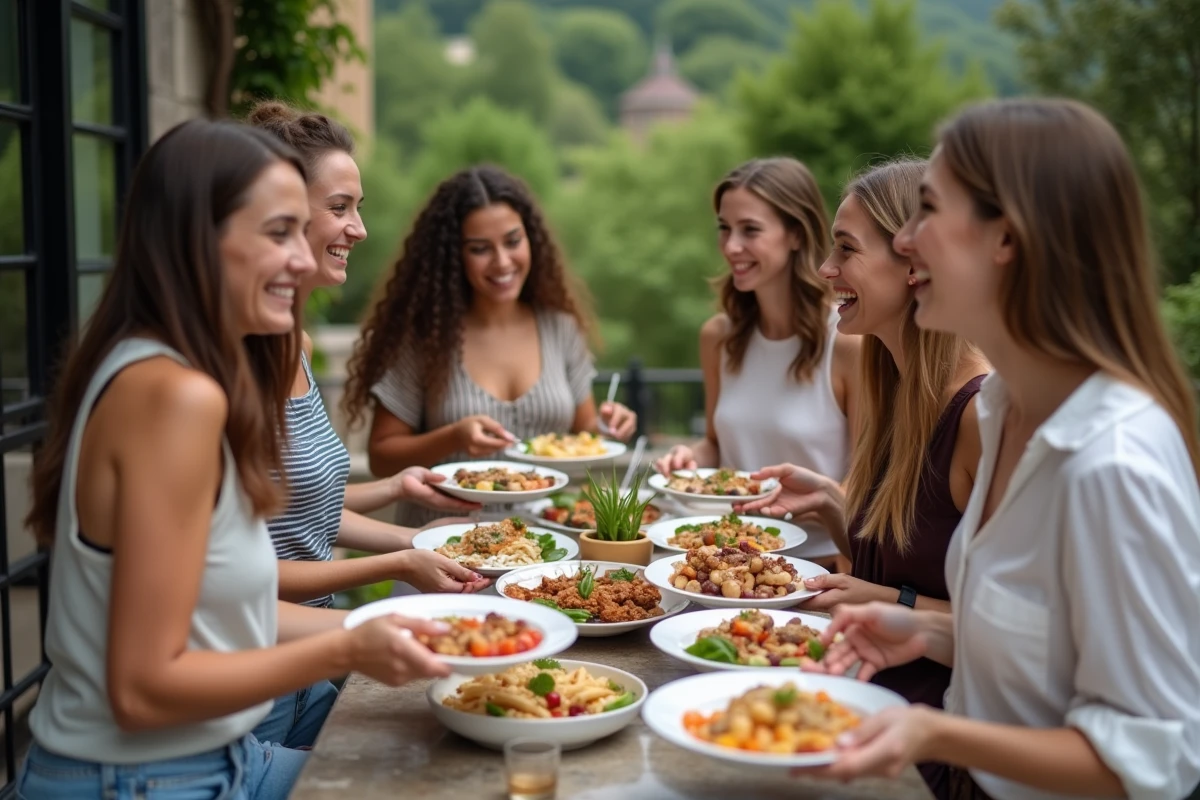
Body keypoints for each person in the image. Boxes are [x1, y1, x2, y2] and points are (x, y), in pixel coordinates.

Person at [17, 119, 452, 799]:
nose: (305, 261)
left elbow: (228, 607)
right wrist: (350, 645)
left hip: (207, 763)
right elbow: (140, 688)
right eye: (279, 234)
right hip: (147, 780)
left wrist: (386, 625)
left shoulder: (155, 367)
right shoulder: (177, 397)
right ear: (200, 239)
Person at [804, 98, 1200, 800]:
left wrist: (933, 734)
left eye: (927, 210)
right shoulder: (1005, 410)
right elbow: (1044, 670)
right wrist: (926, 633)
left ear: (1006, 239)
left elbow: (1156, 762)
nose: (905, 241)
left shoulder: (1110, 461)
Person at [735, 158, 987, 800]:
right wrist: (829, 502)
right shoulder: (895, 385)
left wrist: (887, 604)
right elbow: (909, 551)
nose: (825, 270)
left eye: (845, 250)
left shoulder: (981, 415)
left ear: (914, 263)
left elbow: (1018, 642)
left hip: (929, 756)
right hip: (855, 711)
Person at [245, 102, 489, 749]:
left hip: (309, 664)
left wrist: (402, 507)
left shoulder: (288, 342)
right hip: (259, 682)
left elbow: (294, 506)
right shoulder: (225, 369)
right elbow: (240, 572)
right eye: (341, 206)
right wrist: (402, 557)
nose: (359, 228)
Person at [341, 165, 637, 529]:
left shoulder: (560, 328)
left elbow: (584, 434)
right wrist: (452, 437)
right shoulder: (425, 338)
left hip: (545, 554)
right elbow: (382, 459)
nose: (502, 262)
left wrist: (609, 428)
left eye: (513, 241)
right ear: (453, 256)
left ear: (531, 239)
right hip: (443, 549)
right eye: (480, 249)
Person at [654, 157, 860, 569]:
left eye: (750, 230)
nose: (731, 246)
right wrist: (688, 458)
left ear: (796, 235)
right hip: (724, 562)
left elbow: (867, 479)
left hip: (818, 565)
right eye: (724, 229)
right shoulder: (719, 337)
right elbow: (716, 442)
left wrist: (818, 502)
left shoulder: (849, 339)